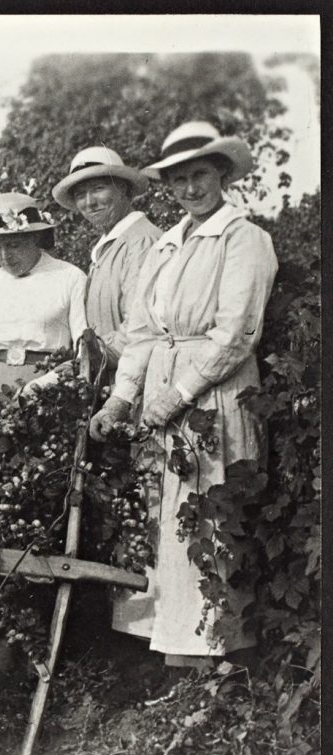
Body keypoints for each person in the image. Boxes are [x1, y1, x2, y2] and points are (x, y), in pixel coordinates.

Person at [89, 121, 277, 668]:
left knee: (215, 518)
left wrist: (181, 393)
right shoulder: (167, 247)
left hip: (216, 393)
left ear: (221, 173)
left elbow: (237, 333)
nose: (190, 189)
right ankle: (181, 654)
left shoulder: (244, 238)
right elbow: (143, 330)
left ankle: (226, 659)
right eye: (178, 181)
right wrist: (121, 399)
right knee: (171, 523)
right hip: (162, 396)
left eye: (199, 176)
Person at [0, 193, 87, 433]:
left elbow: (83, 351)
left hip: (50, 392)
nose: (5, 256)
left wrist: (43, 386)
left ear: (34, 236)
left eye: (13, 245)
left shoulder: (70, 277)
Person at [51, 146, 163, 371]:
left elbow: (139, 326)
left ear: (123, 188)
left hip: (140, 377)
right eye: (81, 195)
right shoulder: (108, 248)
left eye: (98, 189)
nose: (89, 202)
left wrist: (87, 361)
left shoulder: (141, 242)